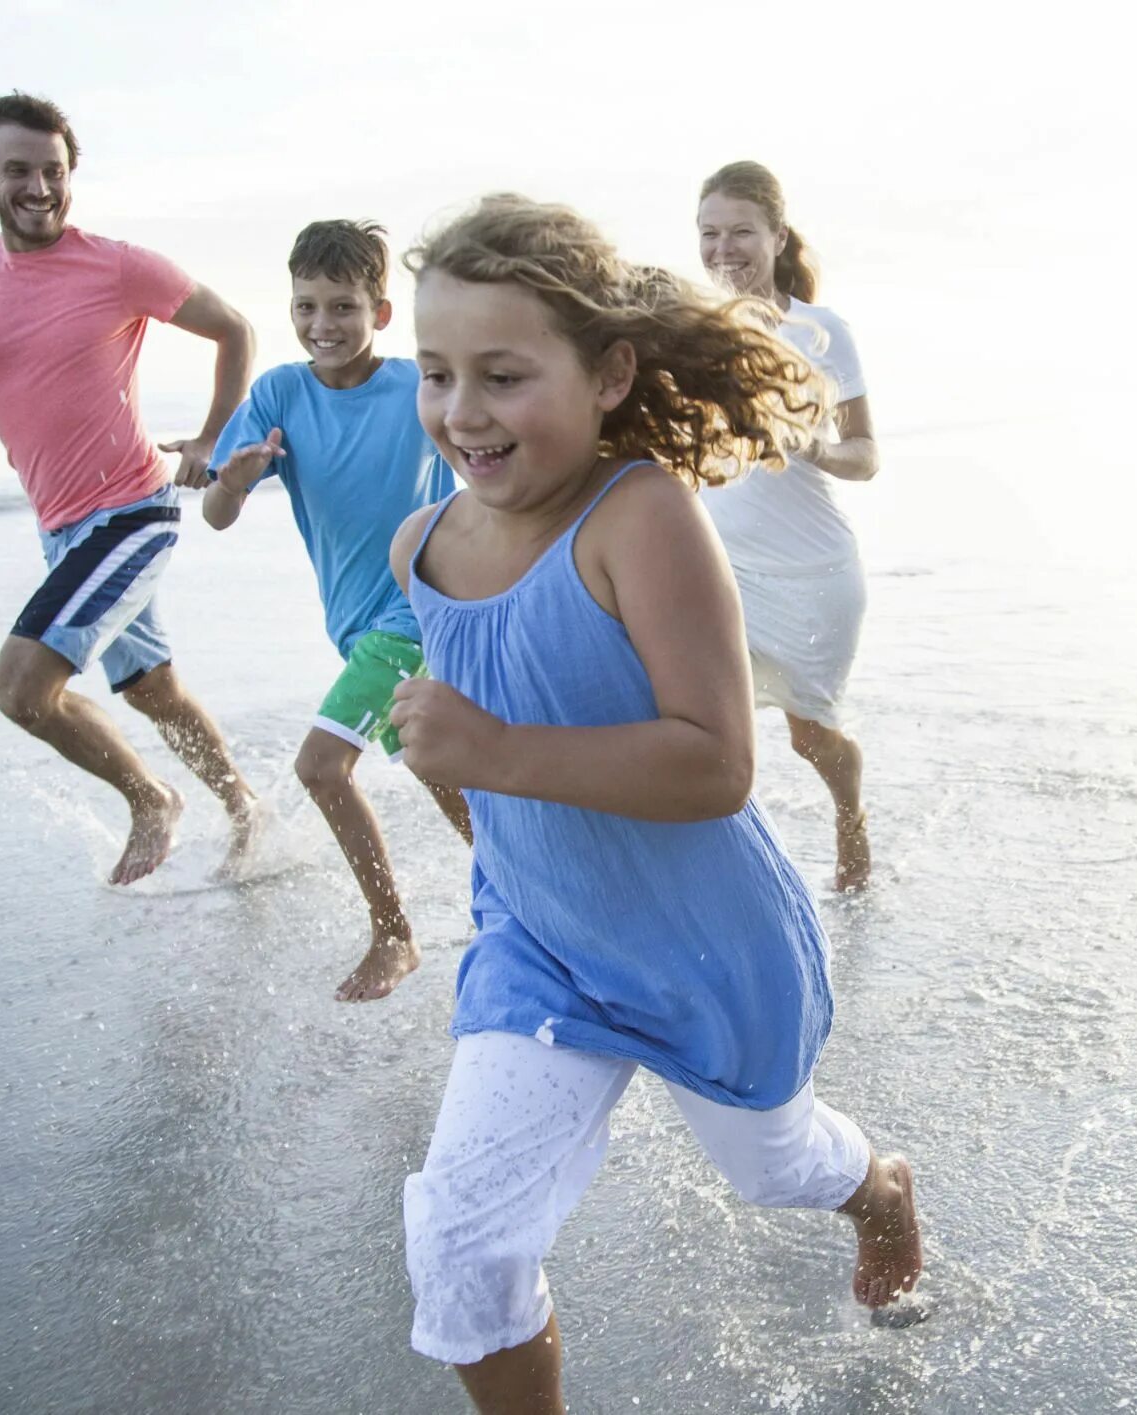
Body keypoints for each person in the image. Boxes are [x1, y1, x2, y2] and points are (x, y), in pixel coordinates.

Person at [385, 195, 921, 1413]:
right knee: (462, 1246)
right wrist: (463, 774)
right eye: (435, 372)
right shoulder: (421, 547)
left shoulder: (640, 516)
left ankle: (879, 1184)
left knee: (774, 1167)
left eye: (504, 374)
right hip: (540, 946)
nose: (462, 410)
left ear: (611, 370)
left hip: (696, 942)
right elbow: (476, 763)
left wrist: (494, 749)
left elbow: (714, 762)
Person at [0, 91, 260, 886]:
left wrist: (213, 438)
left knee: (22, 689)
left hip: (133, 511)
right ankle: (247, 810)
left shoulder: (117, 265)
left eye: (53, 170)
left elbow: (234, 327)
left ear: (70, 174)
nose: (39, 187)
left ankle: (150, 798)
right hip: (62, 528)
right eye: (18, 169)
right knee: (154, 690)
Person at [203, 219, 472, 1001]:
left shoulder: (418, 384)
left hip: (423, 606)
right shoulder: (278, 393)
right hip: (355, 625)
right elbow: (218, 514)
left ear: (380, 312)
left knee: (322, 766)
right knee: (439, 766)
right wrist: (237, 476)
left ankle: (394, 934)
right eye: (307, 306)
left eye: (344, 308)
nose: (324, 325)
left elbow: (486, 462)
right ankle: (535, 895)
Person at [696, 160, 882, 891]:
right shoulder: (688, 330)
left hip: (813, 571)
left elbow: (867, 454)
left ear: (777, 236)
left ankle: (850, 814)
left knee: (811, 736)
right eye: (709, 233)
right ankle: (729, 876)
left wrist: (819, 448)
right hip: (717, 567)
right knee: (699, 721)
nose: (723, 249)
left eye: (741, 231)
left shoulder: (820, 330)